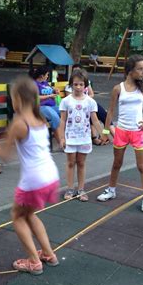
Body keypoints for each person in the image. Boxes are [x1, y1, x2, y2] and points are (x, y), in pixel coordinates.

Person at [0, 76, 60, 275]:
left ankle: (34, 261)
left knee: (17, 217)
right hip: (51, 175)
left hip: (34, 180)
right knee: (29, 214)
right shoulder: (40, 119)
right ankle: (48, 254)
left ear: (17, 99)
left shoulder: (19, 123)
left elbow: (4, 156)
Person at [97, 55, 143, 213]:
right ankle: (111, 190)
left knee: (141, 166)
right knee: (116, 163)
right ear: (130, 71)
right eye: (140, 69)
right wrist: (105, 132)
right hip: (121, 132)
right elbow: (110, 112)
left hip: (138, 132)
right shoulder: (118, 88)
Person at [59, 69, 108, 201]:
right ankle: (69, 188)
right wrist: (62, 137)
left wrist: (104, 133)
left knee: (81, 163)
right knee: (70, 163)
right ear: (71, 85)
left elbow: (95, 120)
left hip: (84, 138)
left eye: (81, 84)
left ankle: (81, 189)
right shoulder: (66, 101)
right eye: (75, 84)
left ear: (85, 85)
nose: (78, 87)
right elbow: (62, 120)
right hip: (70, 138)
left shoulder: (90, 102)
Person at [65, 64, 114, 145]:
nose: (78, 87)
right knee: (91, 116)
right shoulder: (69, 86)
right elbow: (70, 100)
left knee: (105, 116)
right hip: (79, 108)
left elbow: (91, 94)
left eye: (78, 71)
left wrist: (85, 99)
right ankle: (95, 138)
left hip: (89, 102)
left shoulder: (87, 83)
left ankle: (111, 135)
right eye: (75, 71)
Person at [31, 66, 61, 136]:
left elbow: (50, 89)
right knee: (55, 117)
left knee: (65, 112)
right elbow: (35, 97)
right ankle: (53, 135)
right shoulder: (33, 84)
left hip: (52, 106)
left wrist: (55, 90)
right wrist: (49, 96)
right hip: (41, 106)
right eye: (47, 75)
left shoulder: (45, 83)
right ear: (42, 76)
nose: (47, 76)